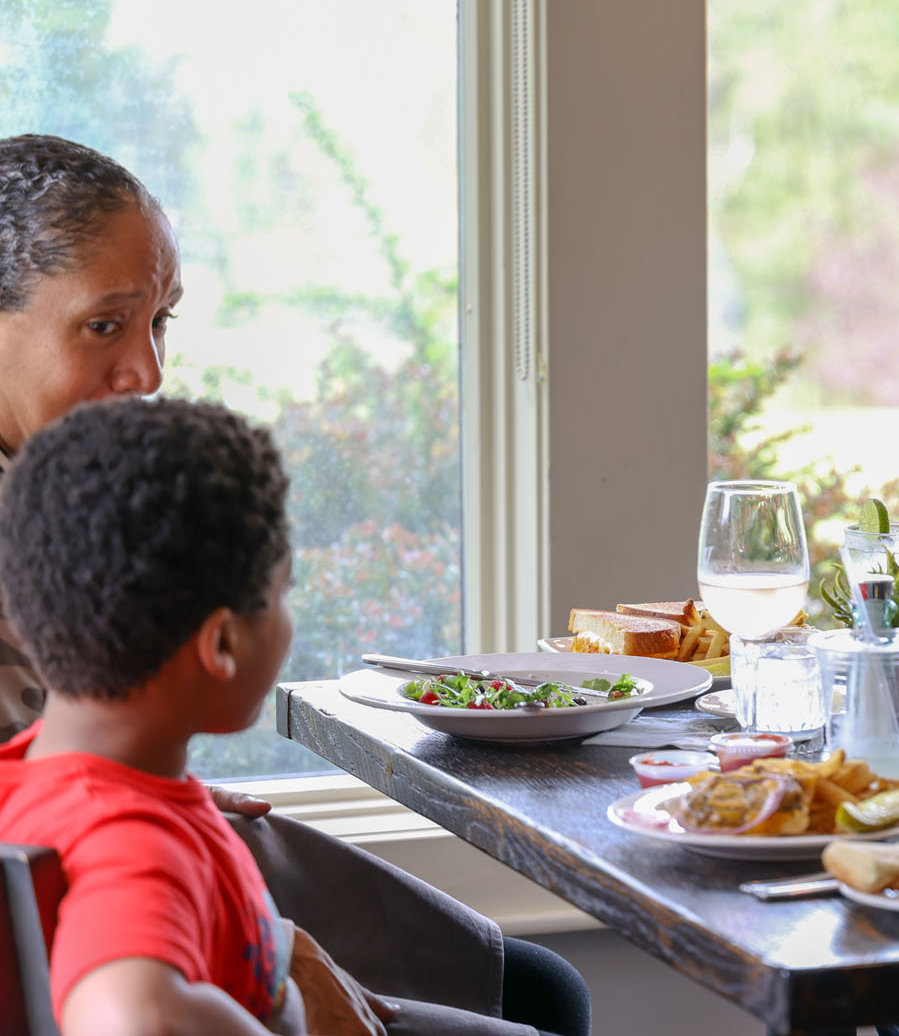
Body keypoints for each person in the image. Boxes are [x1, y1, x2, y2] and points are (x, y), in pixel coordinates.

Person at [0, 134, 589, 1034]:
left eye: (161, 323)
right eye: (105, 324)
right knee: (544, 996)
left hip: (161, 855)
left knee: (540, 987)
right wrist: (274, 959)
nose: (149, 376)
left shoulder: (65, 482)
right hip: (106, 905)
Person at [0, 396, 546, 1034]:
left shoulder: (30, 777)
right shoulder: (135, 841)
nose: (289, 618)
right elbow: (129, 1011)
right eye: (282, 592)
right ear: (223, 645)